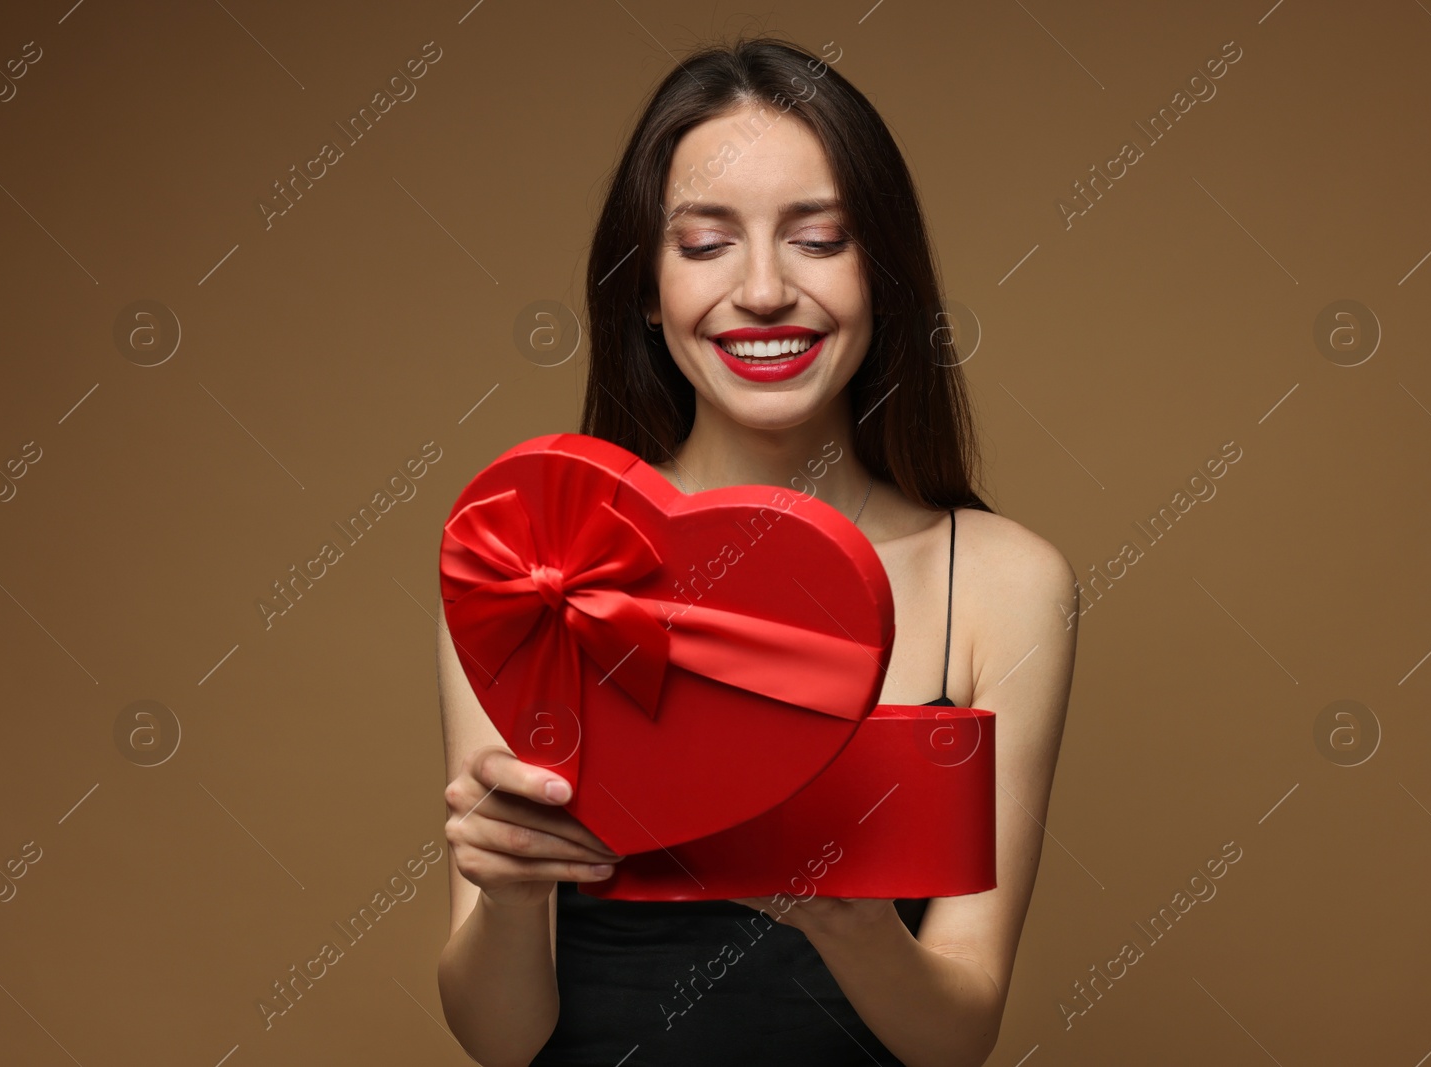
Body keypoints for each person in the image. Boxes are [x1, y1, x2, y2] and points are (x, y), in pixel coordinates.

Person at [435, 35, 1078, 1067]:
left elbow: (957, 1034)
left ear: (886, 275)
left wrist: (848, 920)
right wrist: (509, 899)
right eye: (704, 244)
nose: (766, 289)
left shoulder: (1004, 583)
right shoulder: (532, 555)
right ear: (646, 289)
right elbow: (499, 1038)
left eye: (820, 238)